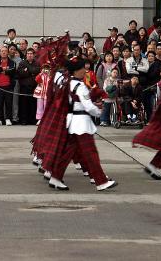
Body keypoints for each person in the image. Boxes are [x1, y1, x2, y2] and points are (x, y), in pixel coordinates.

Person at [49, 57, 117, 191]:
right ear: (77, 71)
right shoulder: (80, 86)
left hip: (73, 121)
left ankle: (55, 178)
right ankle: (101, 181)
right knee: (91, 153)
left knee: (68, 152)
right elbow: (88, 107)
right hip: (81, 123)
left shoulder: (67, 83)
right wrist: (99, 112)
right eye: (83, 69)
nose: (85, 71)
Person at [0, 46, 16, 126]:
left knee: (9, 103)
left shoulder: (12, 62)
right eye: (2, 51)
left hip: (9, 85)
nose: (4, 52)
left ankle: (8, 118)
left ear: (8, 52)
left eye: (5, 51)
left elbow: (12, 70)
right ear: (0, 52)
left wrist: (2, 70)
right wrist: (5, 68)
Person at [17, 48, 40, 125]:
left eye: (31, 53)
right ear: (26, 54)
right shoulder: (22, 63)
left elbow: (37, 71)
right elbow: (21, 73)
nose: (30, 55)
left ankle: (33, 119)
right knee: (24, 104)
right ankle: (24, 120)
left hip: (34, 87)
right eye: (28, 53)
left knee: (33, 104)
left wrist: (28, 70)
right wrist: (31, 72)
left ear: (34, 55)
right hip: (24, 87)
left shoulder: (37, 63)